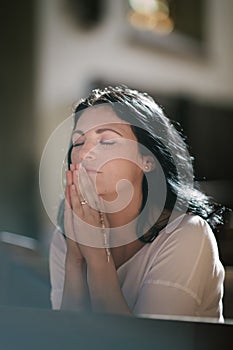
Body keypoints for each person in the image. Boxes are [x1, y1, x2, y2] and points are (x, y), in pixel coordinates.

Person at [49, 85, 225, 320]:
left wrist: (99, 260)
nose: (84, 154)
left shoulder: (187, 235)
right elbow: (65, 339)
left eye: (107, 141)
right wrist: (74, 259)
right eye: (78, 142)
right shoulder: (66, 235)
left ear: (147, 160)